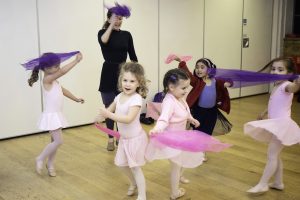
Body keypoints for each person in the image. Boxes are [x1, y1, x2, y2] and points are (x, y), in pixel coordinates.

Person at [145, 68, 204, 200]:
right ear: (171, 87)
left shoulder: (180, 97)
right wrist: (157, 129)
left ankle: (179, 177)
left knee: (184, 159)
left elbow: (185, 110)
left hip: (182, 136)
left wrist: (191, 119)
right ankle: (174, 193)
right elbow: (164, 118)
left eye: (187, 87)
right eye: (183, 88)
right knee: (176, 166)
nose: (186, 90)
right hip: (172, 140)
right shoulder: (169, 102)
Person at [244, 57, 300, 194]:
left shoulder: (286, 85)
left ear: (289, 73)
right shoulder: (276, 86)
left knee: (271, 155)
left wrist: (298, 82)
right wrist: (264, 112)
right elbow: (275, 103)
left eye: (280, 70)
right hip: (276, 124)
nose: (275, 72)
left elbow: (294, 88)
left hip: (282, 126)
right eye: (273, 69)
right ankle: (278, 182)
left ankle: (263, 184)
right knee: (275, 155)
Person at [95, 62, 148, 200]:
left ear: (139, 83)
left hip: (135, 140)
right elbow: (109, 109)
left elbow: (128, 119)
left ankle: (142, 196)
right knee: (121, 164)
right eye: (125, 80)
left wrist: (108, 115)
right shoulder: (119, 97)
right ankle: (134, 183)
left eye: (132, 81)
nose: (128, 84)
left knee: (135, 167)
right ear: (120, 80)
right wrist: (100, 116)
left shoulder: (136, 99)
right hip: (124, 139)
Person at [25, 52, 83, 177]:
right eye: (54, 67)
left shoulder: (54, 81)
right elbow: (62, 71)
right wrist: (76, 61)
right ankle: (40, 158)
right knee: (58, 141)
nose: (57, 68)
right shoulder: (47, 80)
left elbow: (63, 90)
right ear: (45, 68)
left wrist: (76, 99)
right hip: (51, 116)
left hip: (57, 115)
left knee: (54, 142)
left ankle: (50, 164)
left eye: (57, 66)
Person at [172, 56, 232, 161]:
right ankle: (197, 151)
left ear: (209, 69)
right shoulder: (196, 81)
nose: (199, 69)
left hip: (212, 112)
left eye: (202, 67)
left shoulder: (216, 81)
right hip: (199, 112)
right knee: (197, 132)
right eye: (197, 67)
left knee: (206, 134)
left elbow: (229, 81)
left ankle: (202, 152)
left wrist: (229, 83)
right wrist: (181, 63)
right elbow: (188, 74)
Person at [98, 3, 138, 151]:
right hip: (108, 73)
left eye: (120, 18)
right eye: (116, 18)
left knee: (123, 109)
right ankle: (110, 137)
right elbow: (104, 41)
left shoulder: (126, 35)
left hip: (124, 74)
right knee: (109, 108)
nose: (118, 21)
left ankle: (121, 137)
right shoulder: (102, 33)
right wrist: (111, 24)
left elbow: (133, 56)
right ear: (109, 19)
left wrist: (137, 75)